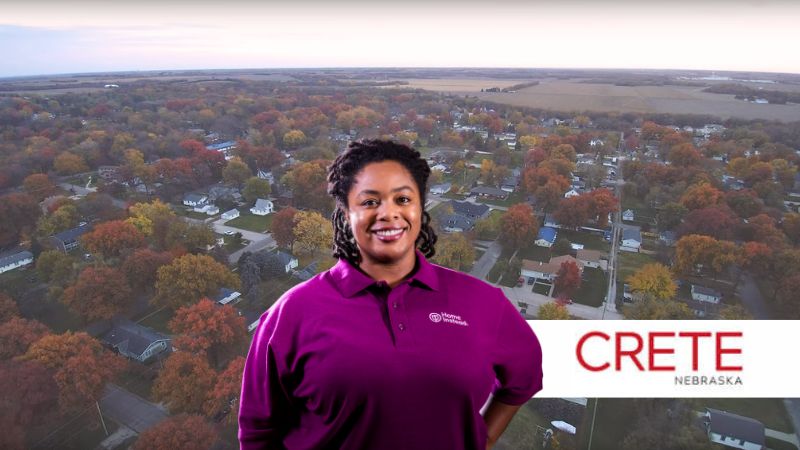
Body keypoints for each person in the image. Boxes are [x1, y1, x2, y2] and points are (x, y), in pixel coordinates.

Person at [239, 140, 542, 449]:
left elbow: (524, 376)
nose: (388, 213)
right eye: (370, 202)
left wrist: (483, 438)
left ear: (420, 207)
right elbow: (259, 431)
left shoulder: (482, 302)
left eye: (403, 198)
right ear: (345, 214)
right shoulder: (291, 313)